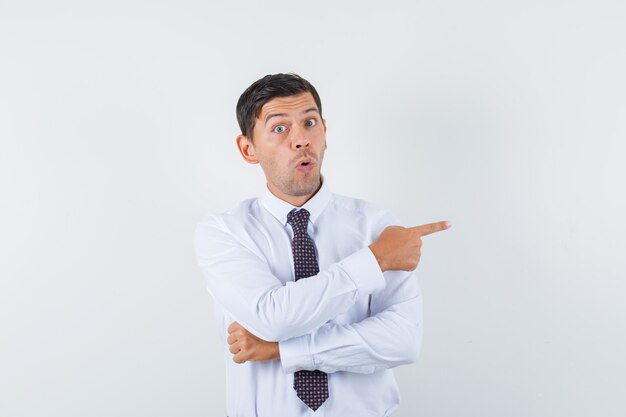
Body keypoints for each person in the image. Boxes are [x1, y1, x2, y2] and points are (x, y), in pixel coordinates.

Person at [194, 73, 450, 416]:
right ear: (248, 149)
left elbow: (403, 341)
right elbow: (273, 317)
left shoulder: (376, 225)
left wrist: (282, 351)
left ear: (325, 132)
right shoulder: (225, 232)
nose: (301, 139)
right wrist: (374, 261)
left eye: (310, 122)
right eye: (279, 128)